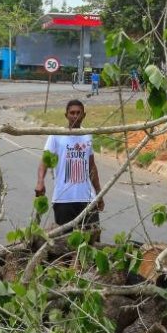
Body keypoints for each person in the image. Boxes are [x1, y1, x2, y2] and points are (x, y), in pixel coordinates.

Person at [35, 100, 104, 237]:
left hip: (87, 200)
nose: (75, 116)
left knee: (92, 241)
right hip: (63, 200)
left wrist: (99, 194)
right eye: (72, 113)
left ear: (84, 115)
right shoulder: (56, 135)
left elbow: (91, 166)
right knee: (64, 246)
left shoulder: (87, 135)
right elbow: (44, 160)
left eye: (78, 113)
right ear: (66, 115)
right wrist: (40, 181)